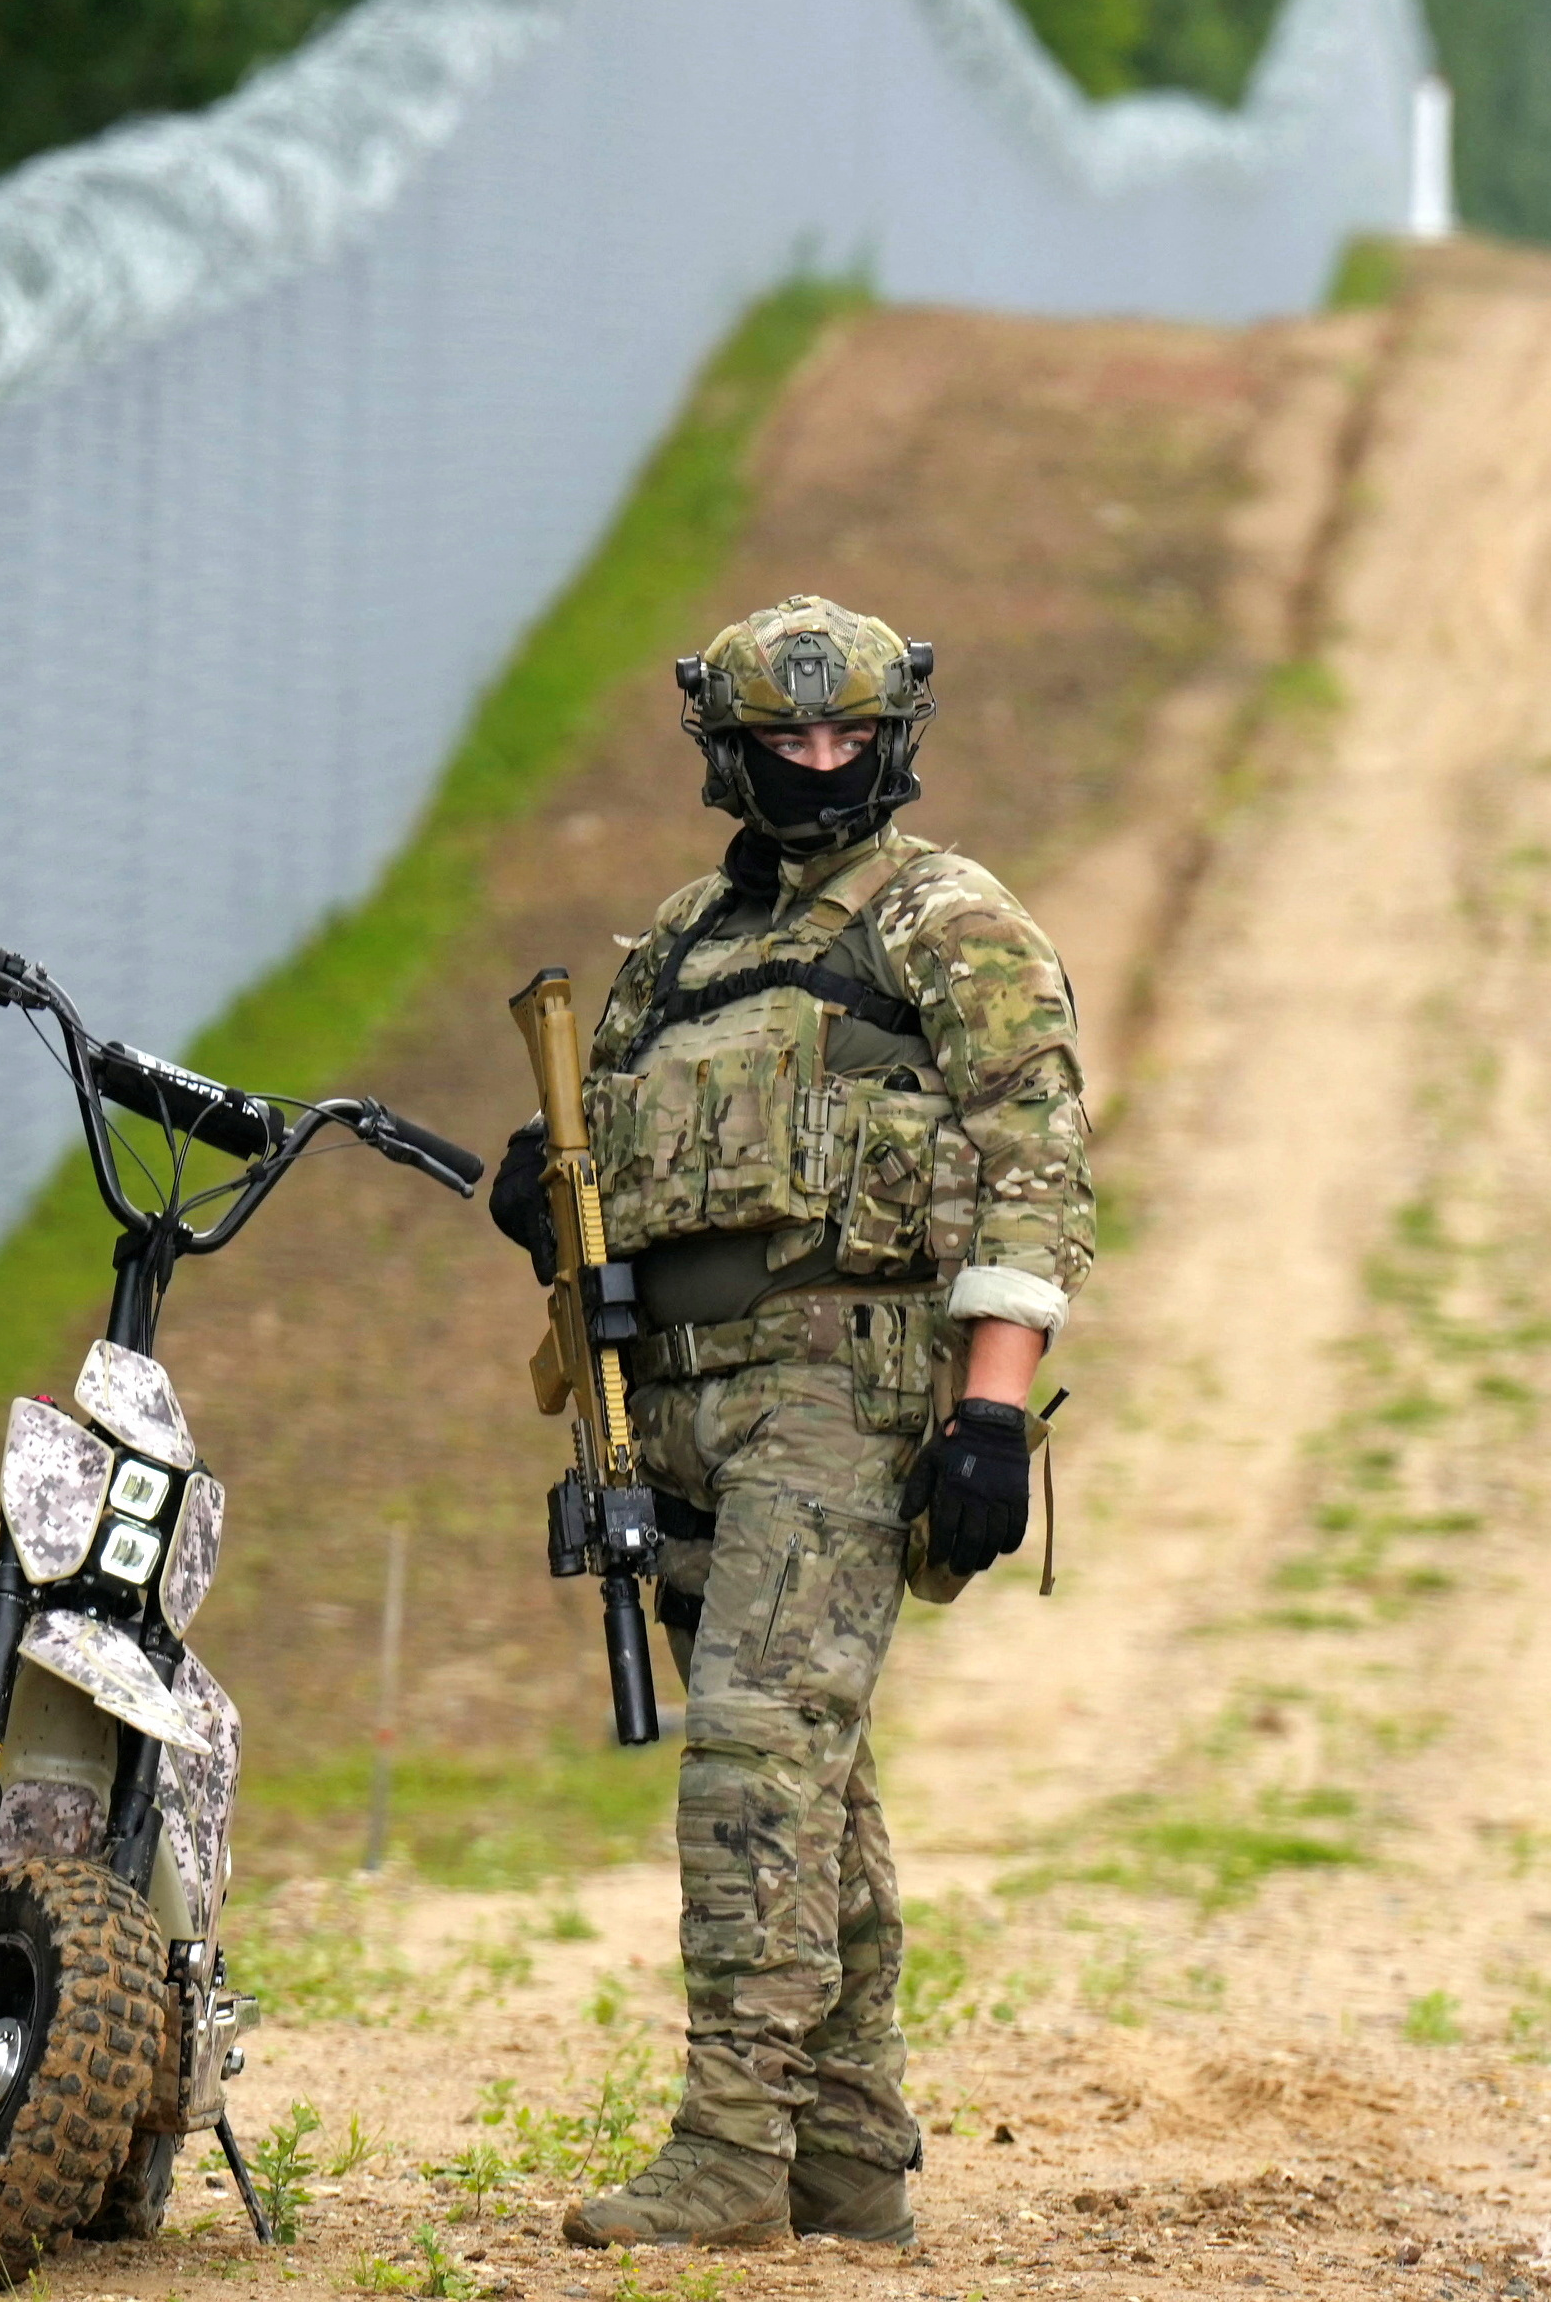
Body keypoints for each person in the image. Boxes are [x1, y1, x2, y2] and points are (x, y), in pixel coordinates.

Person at [487, 595, 1094, 2250]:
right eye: (783, 739)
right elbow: (600, 1163)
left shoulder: (944, 920)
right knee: (812, 1777)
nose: (818, 764)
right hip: (677, 1411)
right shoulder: (677, 947)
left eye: (845, 737)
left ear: (894, 738)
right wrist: (542, 1193)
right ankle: (844, 2151)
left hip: (841, 1399)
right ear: (726, 748)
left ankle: (732, 2149)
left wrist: (984, 1416)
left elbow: (1034, 1173)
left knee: (754, 1759)